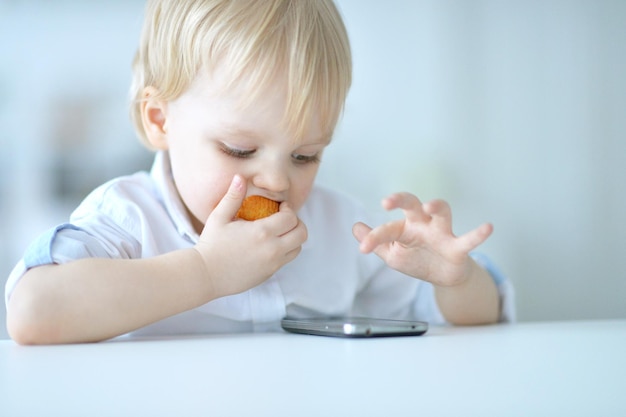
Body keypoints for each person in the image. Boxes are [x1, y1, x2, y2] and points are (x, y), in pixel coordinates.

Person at [5, 0, 514, 345]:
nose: (276, 181)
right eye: (240, 148)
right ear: (159, 119)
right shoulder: (126, 218)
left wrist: (455, 278)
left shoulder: (341, 231)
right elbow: (32, 311)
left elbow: (477, 319)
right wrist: (206, 273)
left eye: (305, 155)